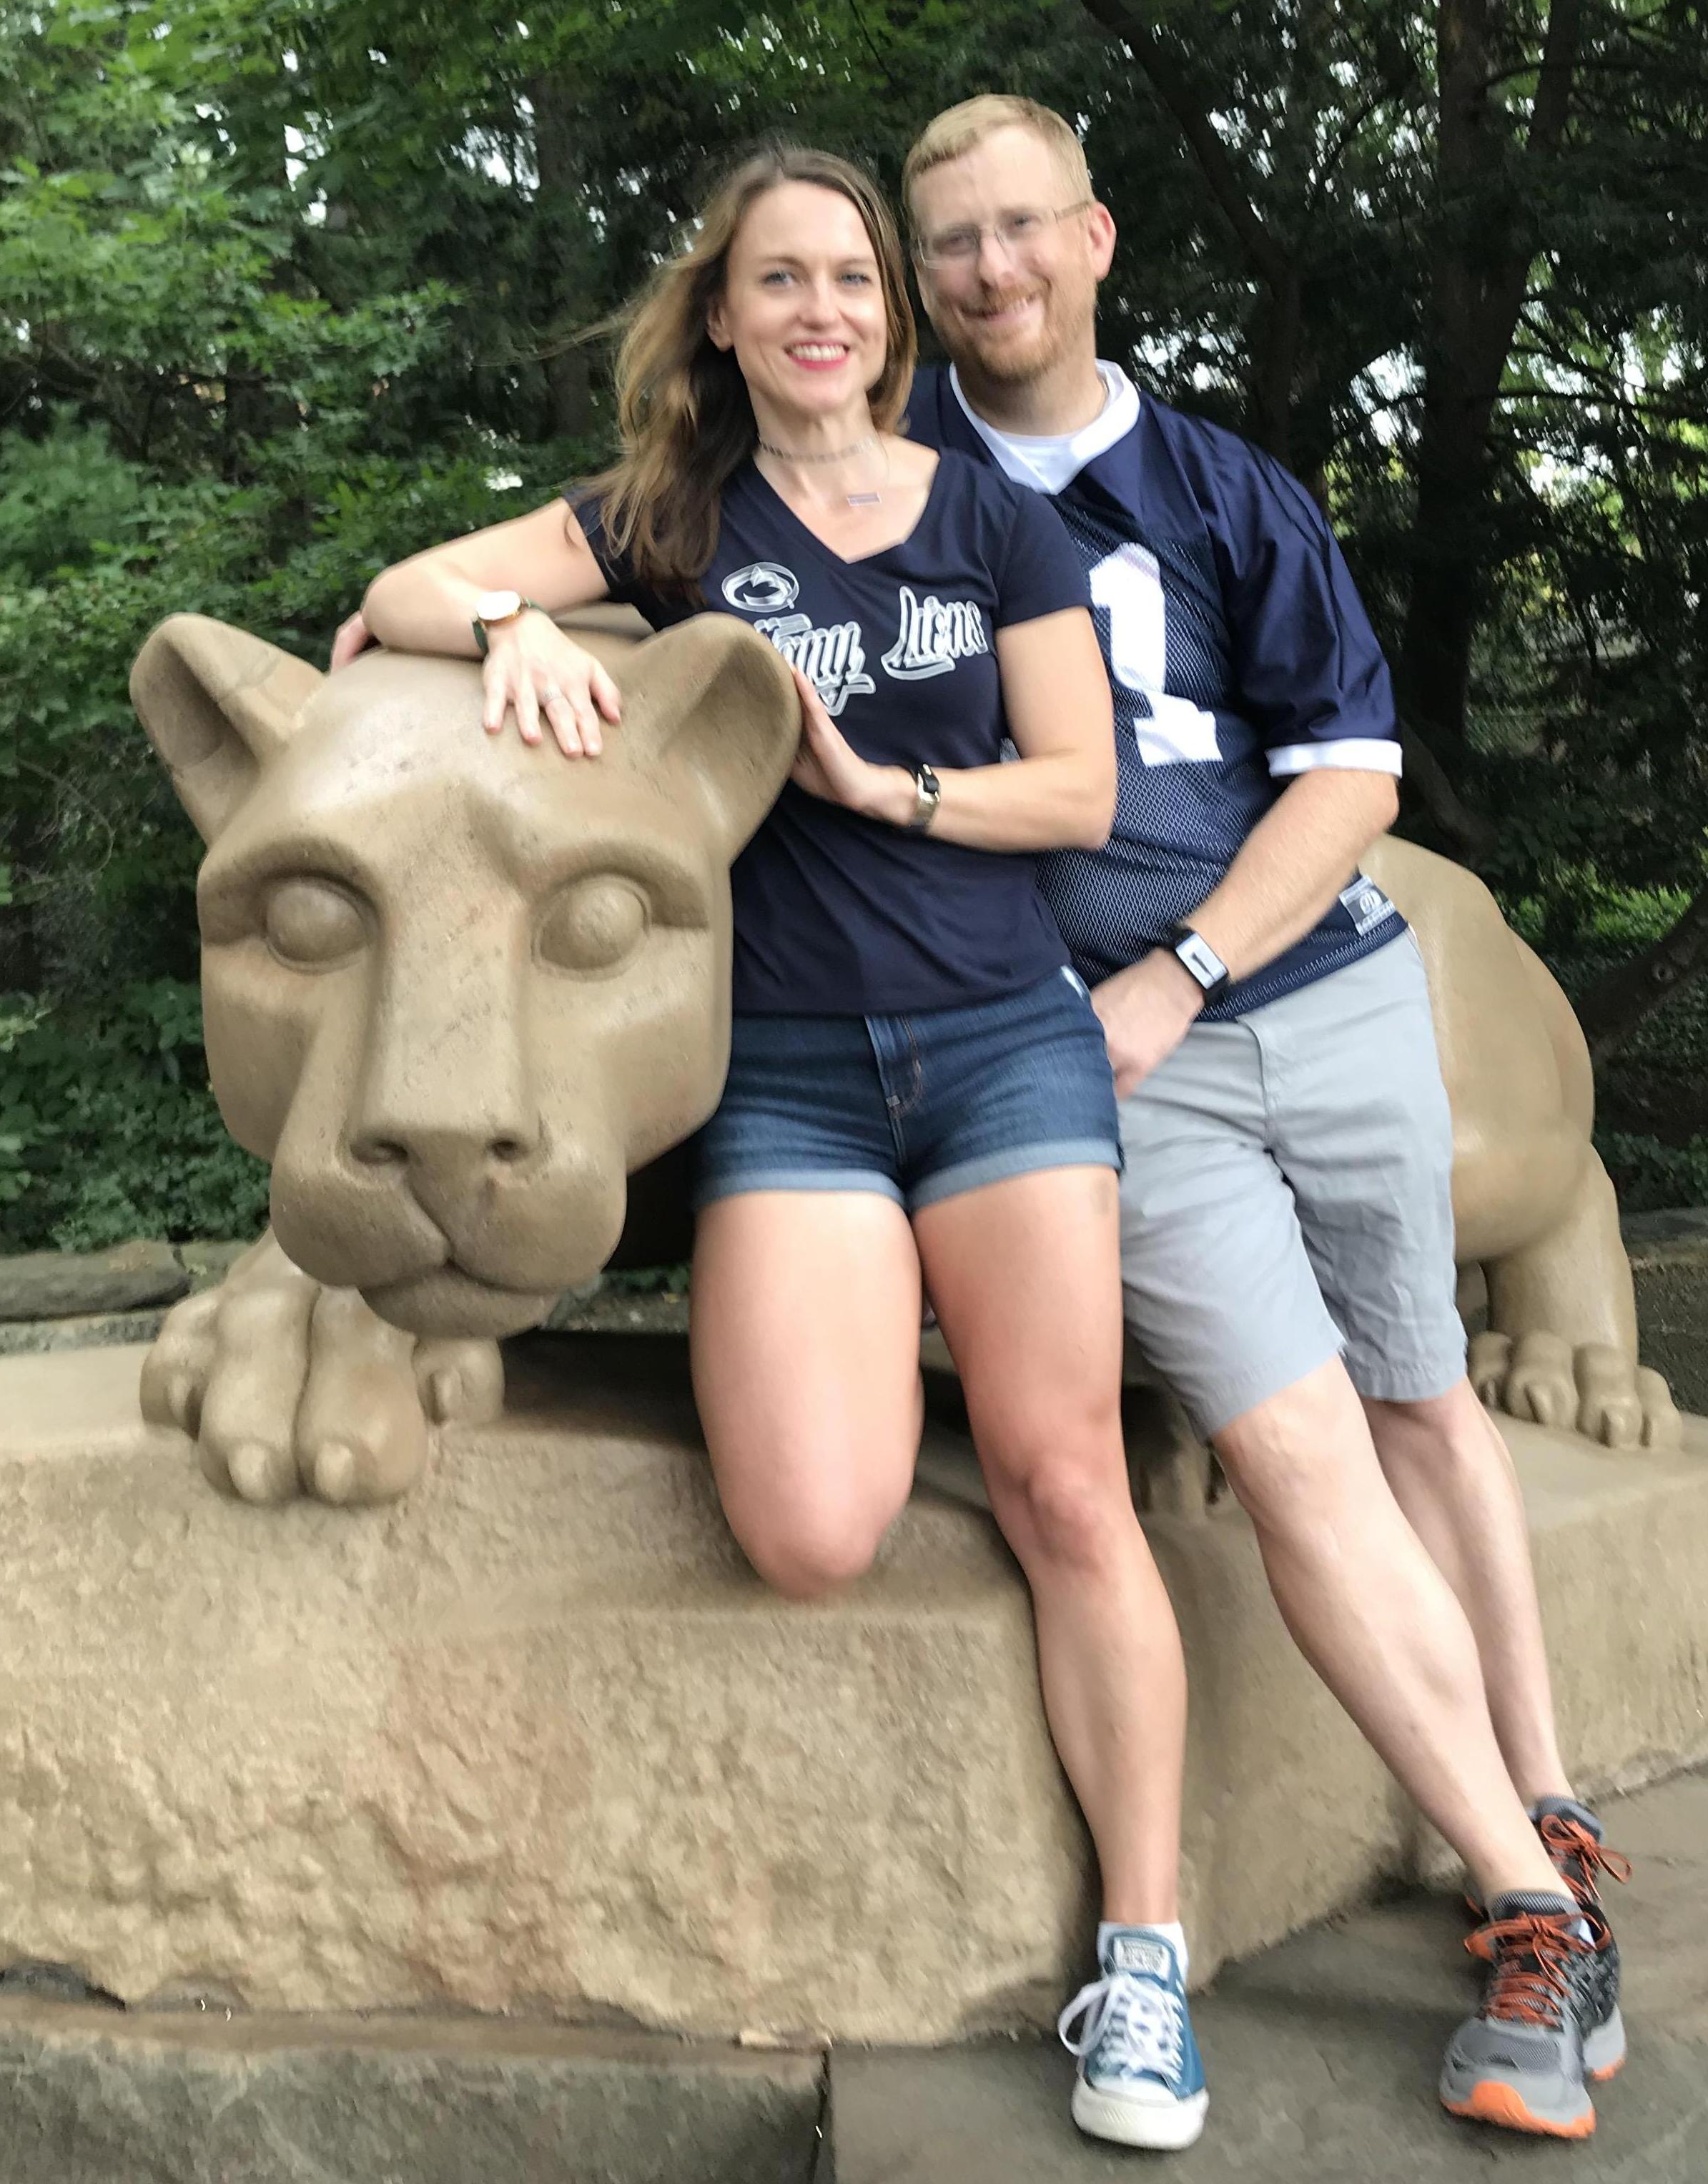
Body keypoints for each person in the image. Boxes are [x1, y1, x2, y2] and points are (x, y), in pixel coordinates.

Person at [340, 144, 1210, 2153]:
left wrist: (878, 789)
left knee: (1070, 1486)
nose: (820, 309)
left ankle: (1142, 1961)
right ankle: (900, 1312)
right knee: (810, 1531)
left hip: (1002, 1045)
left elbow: (1079, 794)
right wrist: (511, 636)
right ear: (722, 320)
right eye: (777, 280)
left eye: (851, 278)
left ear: (887, 319)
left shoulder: (995, 521)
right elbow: (397, 592)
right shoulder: (668, 518)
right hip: (795, 1075)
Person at [898, 95, 1630, 2142]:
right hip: (1118, 1075)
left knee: (1419, 1398)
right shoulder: (888, 501)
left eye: (1021, 227)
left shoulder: (1223, 488)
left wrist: (1185, 968)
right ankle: (1521, 1908)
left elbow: (1353, 776)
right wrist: (490, 621)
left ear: (1098, 237)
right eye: (948, 241)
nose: (990, 271)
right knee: (1298, 1443)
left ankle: (1551, 1813)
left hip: (1319, 985)